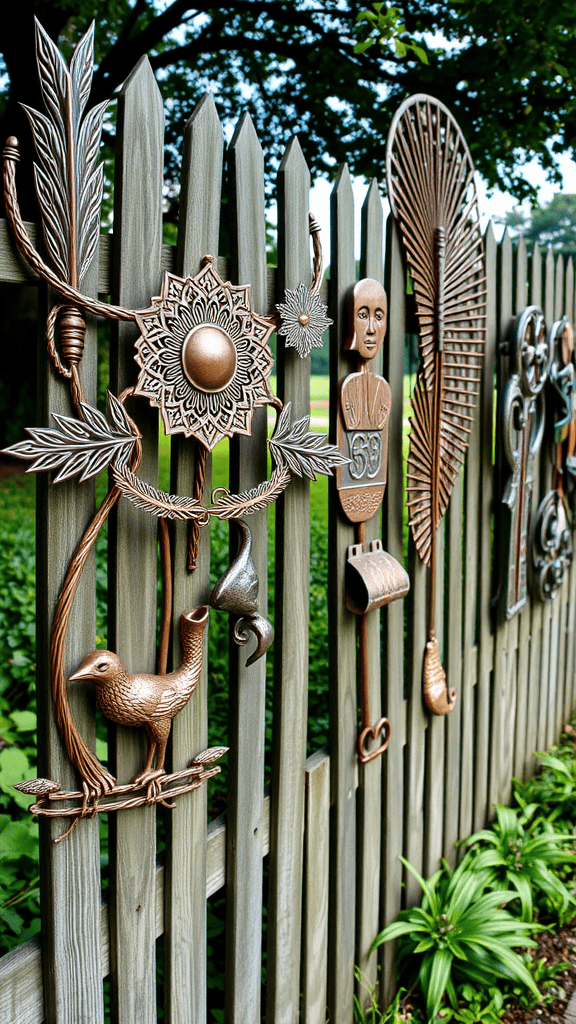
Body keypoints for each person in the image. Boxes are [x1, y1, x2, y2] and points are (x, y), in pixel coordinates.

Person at [341, 278, 390, 432]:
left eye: (379, 317)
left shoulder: (383, 388)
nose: (371, 329)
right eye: (362, 315)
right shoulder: (348, 386)